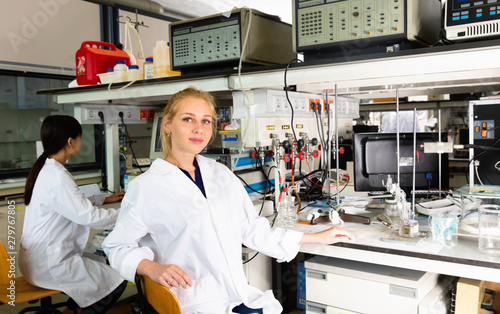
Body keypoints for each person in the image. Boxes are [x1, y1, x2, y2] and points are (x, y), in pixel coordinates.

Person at [103, 88, 354, 313]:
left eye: (206, 121)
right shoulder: (146, 188)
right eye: (188, 119)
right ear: (167, 125)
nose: (198, 129)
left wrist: (316, 237)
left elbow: (250, 228)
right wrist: (151, 268)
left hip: (235, 293)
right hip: (192, 300)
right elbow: (116, 247)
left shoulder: (220, 174)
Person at [19, 115, 127, 313]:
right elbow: (88, 216)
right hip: (48, 263)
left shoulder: (47, 168)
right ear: (71, 141)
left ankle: (70, 311)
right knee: (117, 281)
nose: (81, 141)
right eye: (80, 137)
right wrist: (128, 216)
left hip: (38, 259)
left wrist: (102, 199)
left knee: (102, 263)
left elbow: (69, 200)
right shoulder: (57, 176)